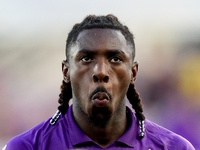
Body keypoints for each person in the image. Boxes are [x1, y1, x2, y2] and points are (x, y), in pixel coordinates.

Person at [4, 14, 195, 150]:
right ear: (66, 71)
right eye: (86, 59)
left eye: (115, 59)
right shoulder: (27, 146)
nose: (101, 72)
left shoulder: (174, 147)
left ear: (133, 72)